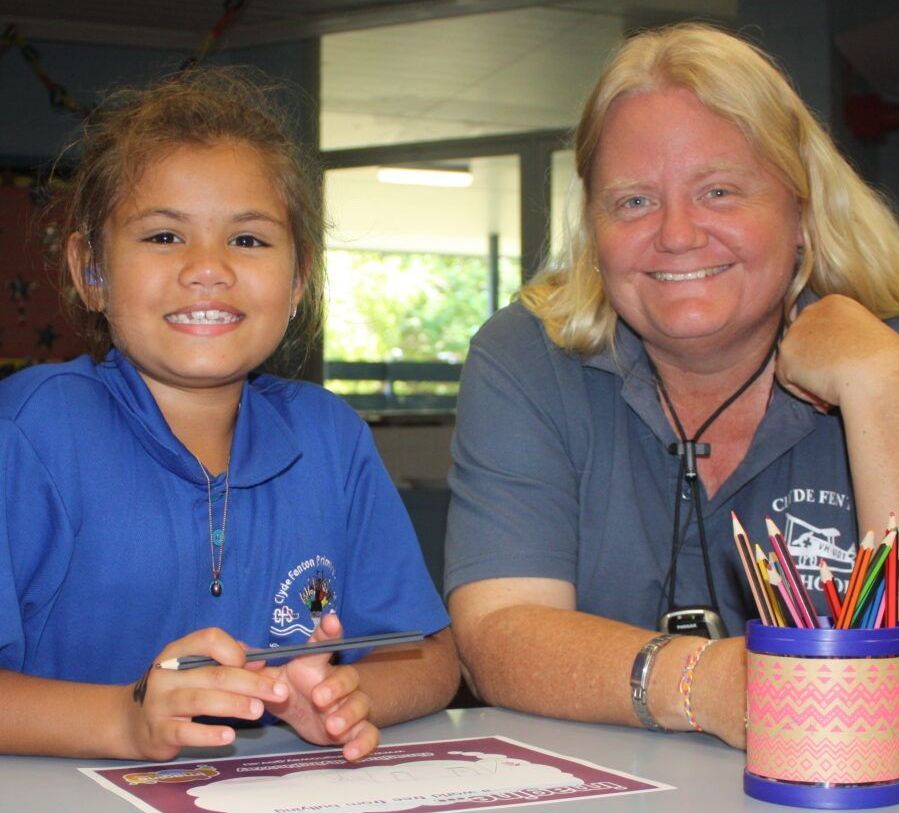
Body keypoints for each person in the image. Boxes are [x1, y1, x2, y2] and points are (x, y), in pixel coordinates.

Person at [445, 23, 899, 748]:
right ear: (593, 229)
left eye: (719, 191)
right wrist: (709, 683)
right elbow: (497, 633)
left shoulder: (885, 356)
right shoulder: (527, 357)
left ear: (803, 215)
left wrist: (880, 387)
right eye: (632, 202)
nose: (677, 234)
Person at [0, 67, 459, 761]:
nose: (207, 267)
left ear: (299, 277)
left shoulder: (329, 438)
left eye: (248, 240)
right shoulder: (29, 434)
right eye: (163, 236)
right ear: (90, 271)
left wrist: (347, 696)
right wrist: (124, 720)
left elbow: (428, 656)